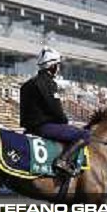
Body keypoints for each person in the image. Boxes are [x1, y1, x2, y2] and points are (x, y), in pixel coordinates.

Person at [19, 47, 91, 177]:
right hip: (44, 128)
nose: (58, 68)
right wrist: (65, 122)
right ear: (52, 66)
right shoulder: (49, 83)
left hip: (29, 128)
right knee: (85, 135)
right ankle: (62, 160)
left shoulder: (27, 84)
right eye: (57, 65)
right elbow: (56, 109)